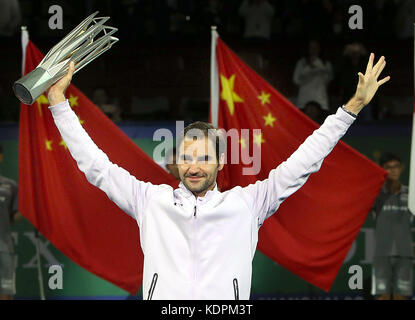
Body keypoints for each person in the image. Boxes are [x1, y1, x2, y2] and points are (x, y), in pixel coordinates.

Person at [45, 53, 389, 299]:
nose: (194, 166)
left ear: (221, 162)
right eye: (187, 157)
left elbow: (303, 162)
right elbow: (96, 165)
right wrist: (59, 102)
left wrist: (352, 109)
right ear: (175, 161)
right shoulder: (149, 200)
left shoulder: (247, 203)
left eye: (204, 158)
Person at [371, 153, 414, 300]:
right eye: (388, 167)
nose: (393, 170)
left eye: (396, 167)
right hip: (382, 252)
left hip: (405, 253)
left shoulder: (411, 193)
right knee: (382, 296)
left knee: (400, 296)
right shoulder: (376, 193)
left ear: (402, 168)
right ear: (383, 169)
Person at [0, 144, 23, 300]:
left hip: (4, 247)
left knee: (6, 293)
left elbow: (11, 218)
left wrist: (27, 207)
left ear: (1, 157)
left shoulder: (10, 186)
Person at [293, 40, 333, 111]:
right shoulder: (301, 63)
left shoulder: (326, 63)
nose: (313, 50)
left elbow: (328, 79)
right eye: (311, 47)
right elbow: (296, 80)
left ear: (319, 49)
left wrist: (318, 65)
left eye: (316, 47)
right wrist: (309, 69)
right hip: (304, 100)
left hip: (320, 101)